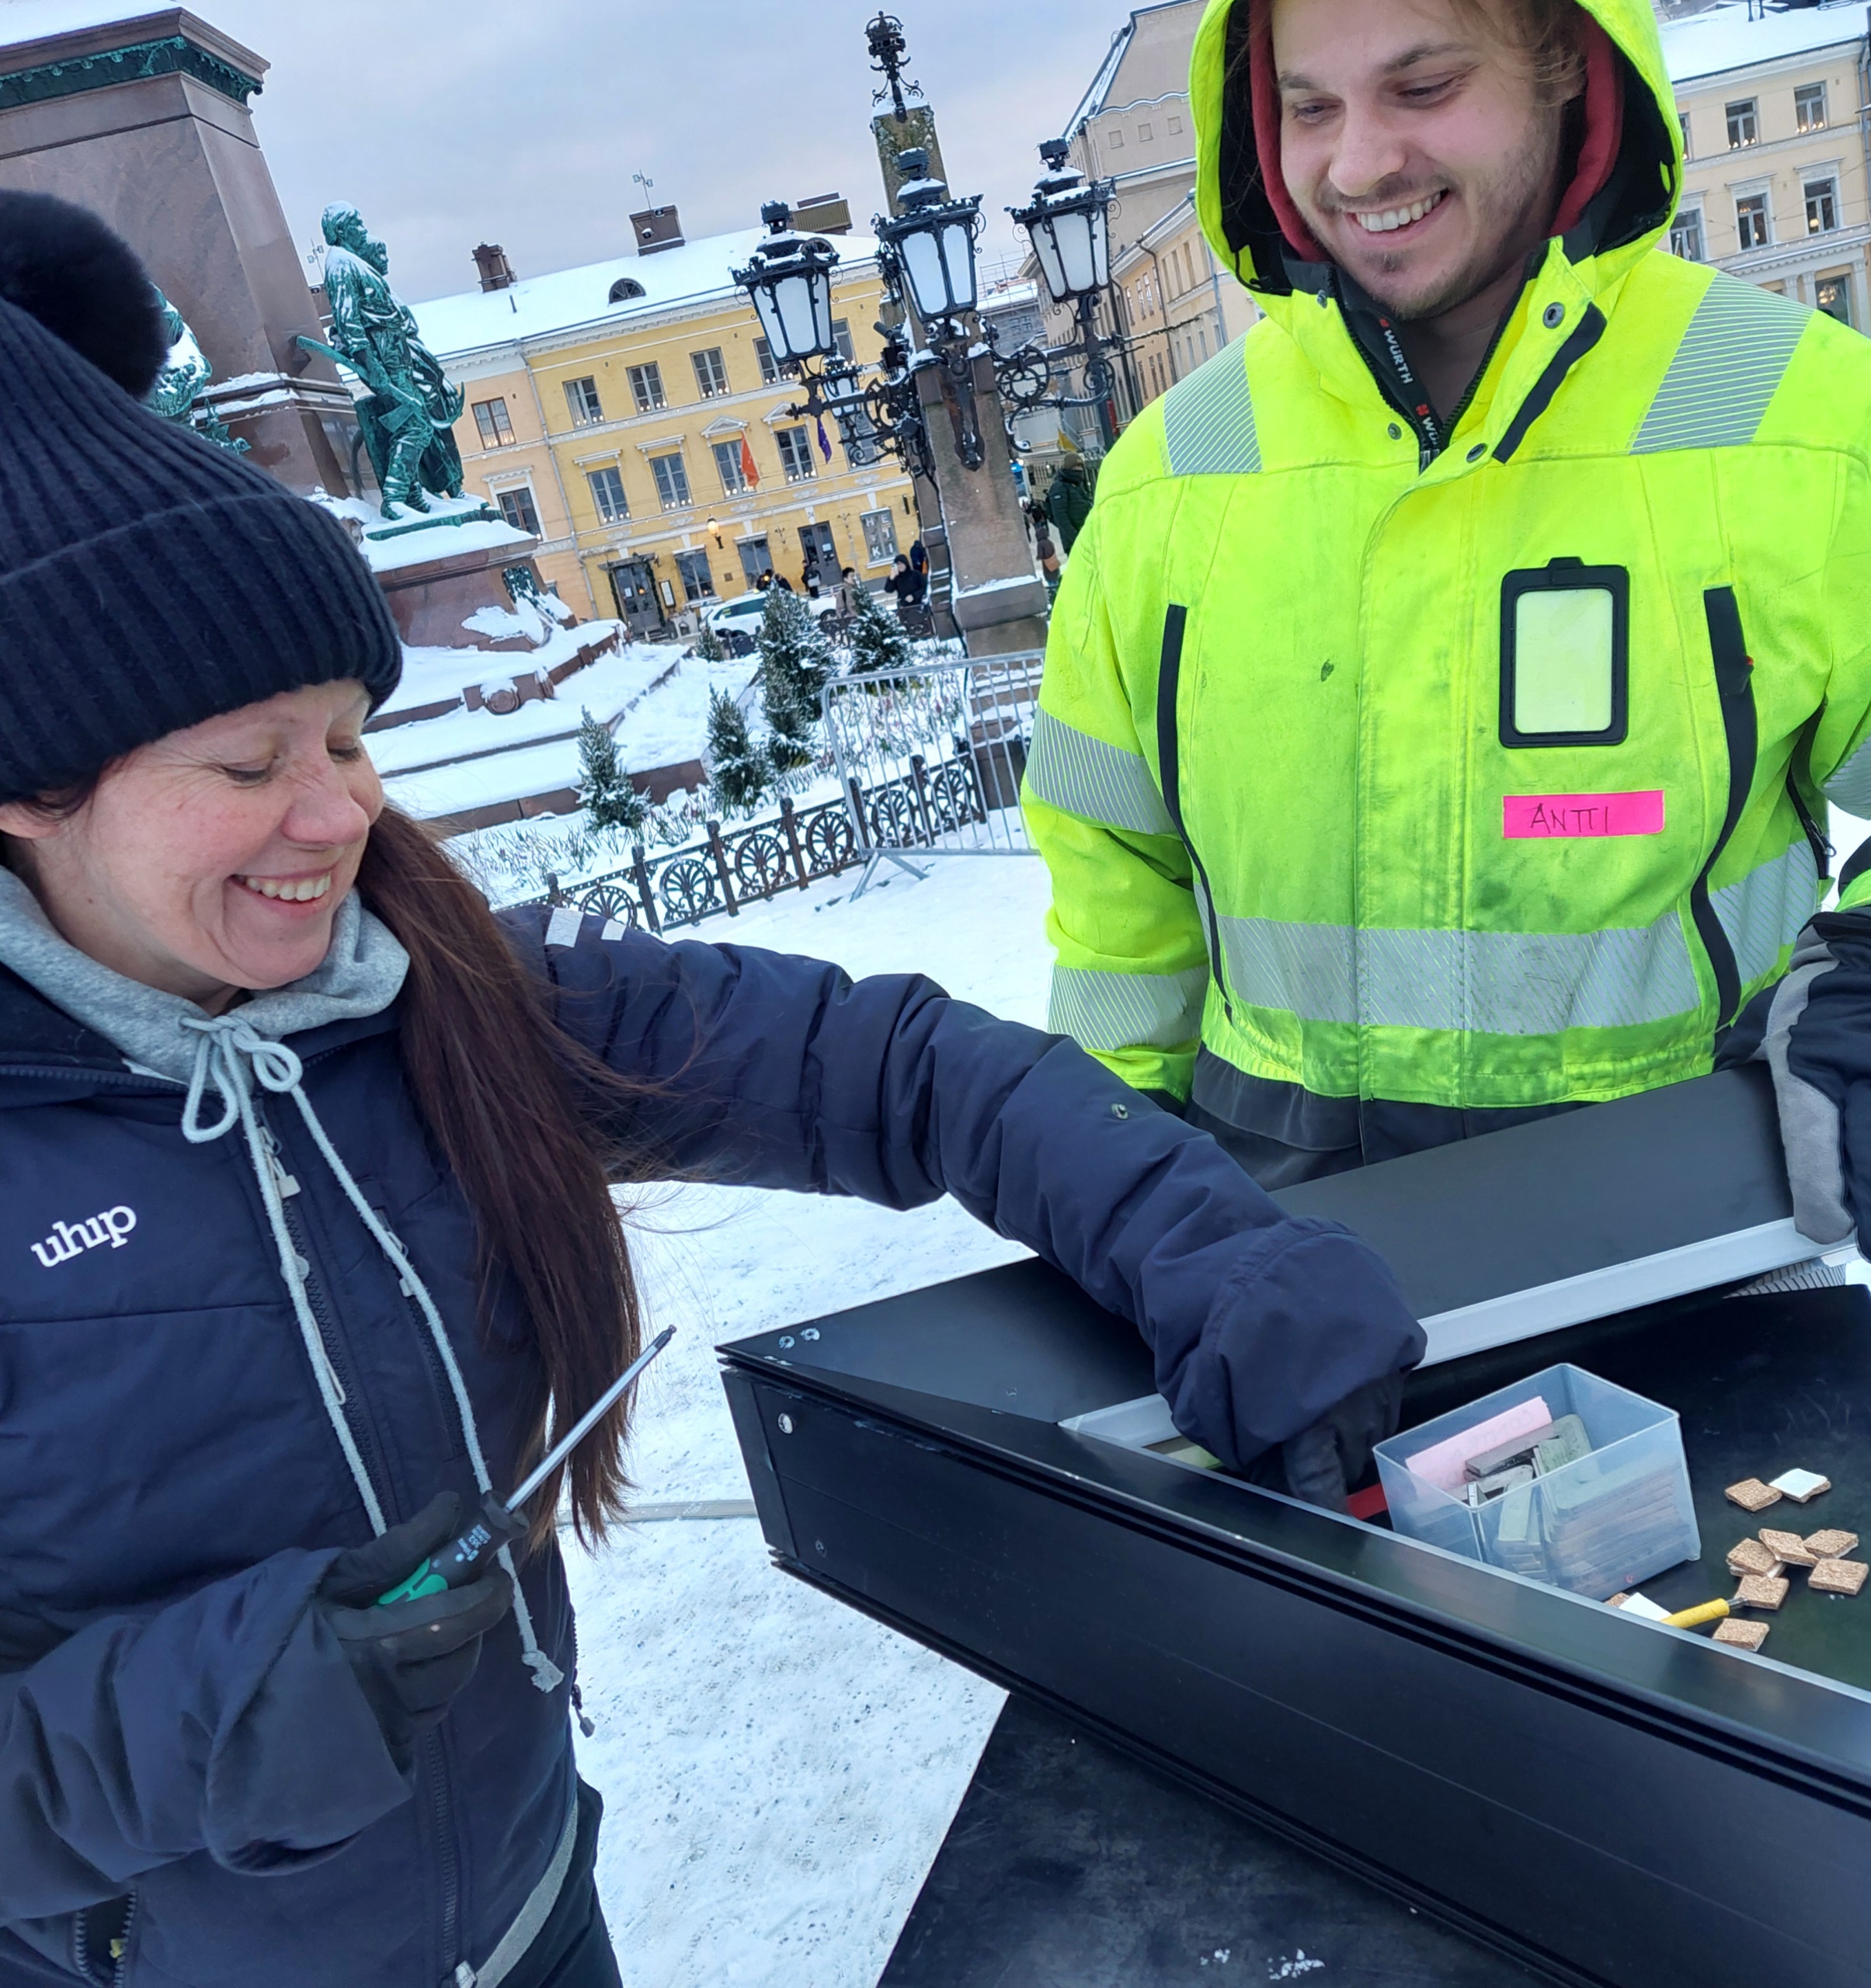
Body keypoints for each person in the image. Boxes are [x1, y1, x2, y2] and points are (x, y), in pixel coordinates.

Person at [0, 196, 1420, 1988]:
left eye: (351, 734)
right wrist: (214, 1715)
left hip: (532, 1915)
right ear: (27, 792)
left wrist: (1204, 1241)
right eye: (245, 760)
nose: (341, 810)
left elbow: (888, 1069)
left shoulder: (439, 1006)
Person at [1023, 0, 1871, 1277]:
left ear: (1567, 74)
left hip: (1683, 1259)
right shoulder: (1171, 480)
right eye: (1310, 107)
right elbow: (1114, 879)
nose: (1360, 164)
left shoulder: (1794, 417)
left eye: (1423, 88)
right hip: (1286, 1298)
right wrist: (1115, 1160)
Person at [1045, 450, 1094, 552]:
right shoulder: (1059, 487)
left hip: (1089, 535)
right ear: (1068, 467)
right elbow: (1061, 517)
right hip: (1074, 543)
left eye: (1081, 466)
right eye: (1076, 466)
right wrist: (1077, 538)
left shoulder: (1077, 485)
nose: (1079, 469)